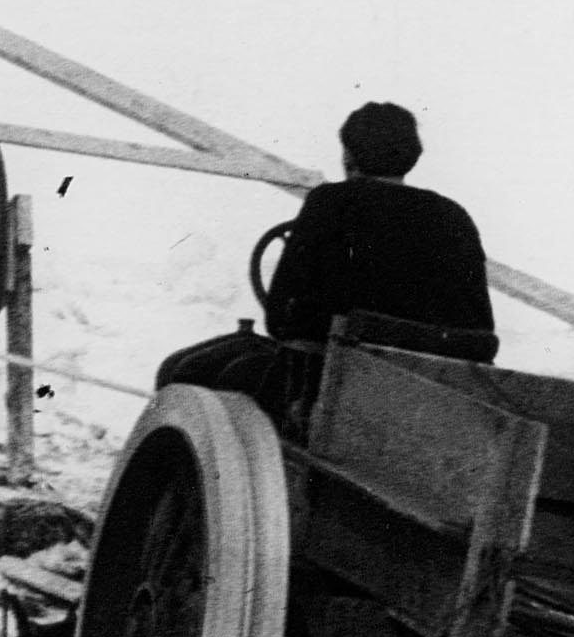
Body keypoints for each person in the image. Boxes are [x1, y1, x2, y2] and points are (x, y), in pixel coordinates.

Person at [156, 101, 496, 421]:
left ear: (349, 154)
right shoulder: (454, 217)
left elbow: (280, 315)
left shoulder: (328, 203)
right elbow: (479, 328)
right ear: (411, 155)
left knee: (186, 370)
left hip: (322, 388)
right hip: (431, 400)